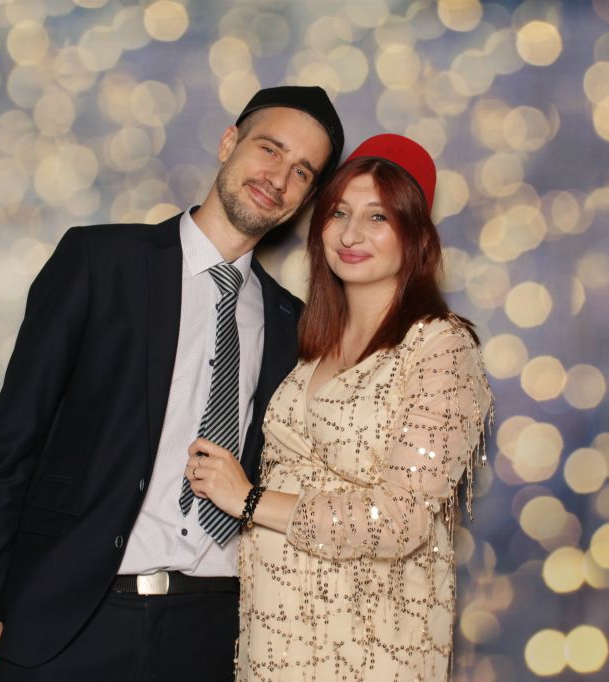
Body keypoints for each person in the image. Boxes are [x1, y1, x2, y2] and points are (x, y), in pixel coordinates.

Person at [0, 86, 344, 682]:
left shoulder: (292, 322)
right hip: (70, 619)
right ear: (229, 143)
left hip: (211, 632)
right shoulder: (99, 261)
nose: (278, 178)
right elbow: (12, 438)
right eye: (269, 149)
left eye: (302, 171)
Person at [186, 134, 493, 681]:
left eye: (378, 217)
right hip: (274, 638)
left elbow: (399, 520)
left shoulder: (439, 346)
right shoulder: (308, 343)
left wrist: (249, 499)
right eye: (339, 213)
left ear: (416, 236)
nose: (351, 235)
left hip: (369, 642)